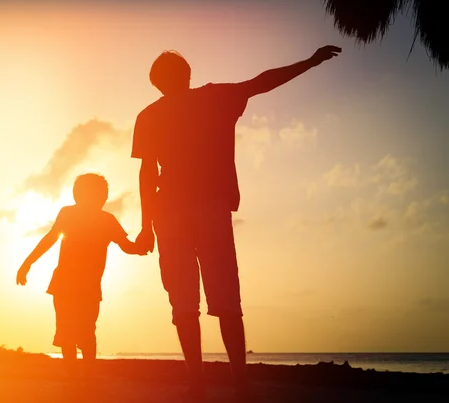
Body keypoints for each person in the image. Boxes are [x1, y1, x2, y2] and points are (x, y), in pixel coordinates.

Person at [132, 45, 341, 398]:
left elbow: (146, 174)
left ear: (159, 82)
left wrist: (145, 224)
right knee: (216, 298)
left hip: (178, 211)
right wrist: (309, 62)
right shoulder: (211, 98)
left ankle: (206, 382)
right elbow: (262, 82)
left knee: (190, 301)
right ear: (185, 73)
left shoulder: (160, 112)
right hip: (197, 209)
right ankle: (233, 382)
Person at [16, 173, 145, 382]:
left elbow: (127, 246)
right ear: (77, 195)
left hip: (87, 287)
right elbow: (50, 239)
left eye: (102, 194)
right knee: (68, 333)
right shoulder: (69, 214)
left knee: (86, 333)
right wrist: (27, 263)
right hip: (65, 285)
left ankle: (86, 377)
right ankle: (74, 377)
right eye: (94, 194)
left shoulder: (107, 220)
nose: (99, 198)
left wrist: (142, 246)